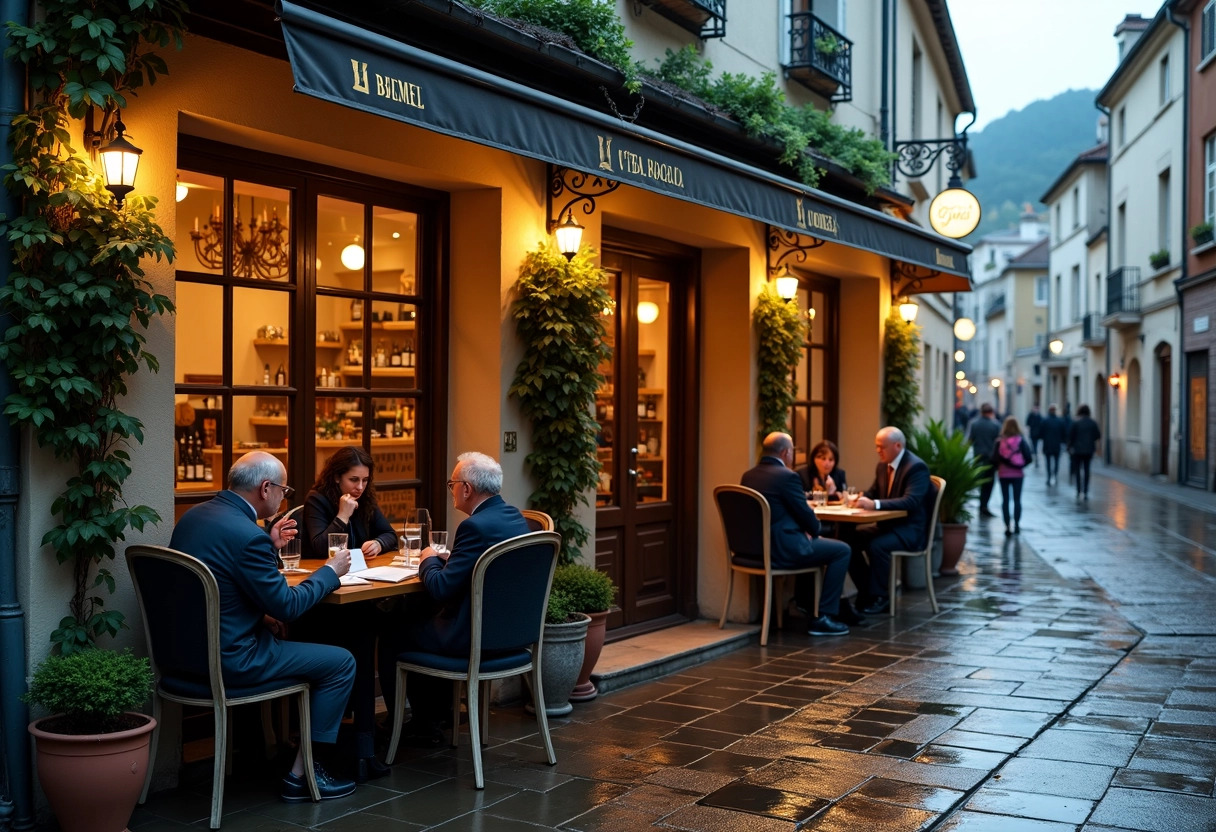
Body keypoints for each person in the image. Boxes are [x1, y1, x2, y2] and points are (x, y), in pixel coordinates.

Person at [168, 451, 358, 803]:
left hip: (180, 658)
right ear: (265, 487)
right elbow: (287, 606)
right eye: (283, 490)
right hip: (234, 661)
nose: (284, 498)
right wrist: (330, 573)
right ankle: (305, 774)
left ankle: (275, 759)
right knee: (342, 662)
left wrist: (269, 548)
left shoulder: (193, 517)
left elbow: (220, 589)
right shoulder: (246, 535)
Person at [383, 451, 531, 747]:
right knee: (419, 616)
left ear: (467, 489)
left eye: (452, 483)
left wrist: (428, 558)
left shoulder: (473, 527)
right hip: (511, 637)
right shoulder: (514, 516)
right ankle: (434, 718)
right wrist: (451, 560)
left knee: (392, 629)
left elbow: (439, 588)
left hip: (473, 640)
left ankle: (410, 725)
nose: (451, 489)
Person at [297, 446, 398, 782]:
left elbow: (390, 533)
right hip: (321, 608)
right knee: (362, 636)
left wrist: (378, 544)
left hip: (355, 598)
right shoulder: (318, 500)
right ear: (336, 476)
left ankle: (364, 748)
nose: (359, 486)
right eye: (353, 479)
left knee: (370, 631)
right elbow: (317, 546)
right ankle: (358, 748)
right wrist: (342, 514)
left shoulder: (366, 500)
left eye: (365, 480)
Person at [741, 433, 855, 635]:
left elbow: (776, 512)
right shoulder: (788, 476)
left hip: (753, 550)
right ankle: (824, 617)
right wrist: (813, 530)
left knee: (822, 545)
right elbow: (807, 517)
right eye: (793, 451)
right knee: (842, 550)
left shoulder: (749, 475)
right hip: (784, 548)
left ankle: (805, 603)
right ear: (786, 452)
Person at [848, 427, 933, 615]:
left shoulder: (916, 467)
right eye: (876, 446)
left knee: (877, 546)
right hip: (889, 526)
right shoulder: (882, 465)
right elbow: (873, 491)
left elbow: (911, 501)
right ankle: (868, 592)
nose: (878, 451)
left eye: (881, 447)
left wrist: (875, 504)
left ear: (898, 445)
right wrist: (858, 498)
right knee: (849, 541)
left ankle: (881, 598)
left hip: (911, 531)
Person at [995, 416, 1033, 536]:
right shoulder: (1020, 440)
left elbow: (994, 458)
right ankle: (1016, 525)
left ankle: (1007, 526)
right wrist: (1020, 465)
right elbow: (1029, 457)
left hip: (1003, 474)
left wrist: (1001, 466)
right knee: (1017, 500)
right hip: (1018, 475)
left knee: (1005, 500)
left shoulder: (999, 441)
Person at [965, 403, 1001, 517]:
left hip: (978, 457)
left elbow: (970, 440)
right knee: (989, 483)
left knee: (979, 482)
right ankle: (984, 505)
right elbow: (999, 442)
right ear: (991, 412)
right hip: (991, 458)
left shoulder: (974, 424)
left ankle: (981, 504)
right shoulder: (996, 425)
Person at [1067, 404, 1102, 499]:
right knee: (1087, 470)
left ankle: (1078, 490)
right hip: (1089, 450)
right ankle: (1085, 490)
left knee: (1078, 470)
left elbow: (1071, 436)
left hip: (1077, 450)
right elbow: (1097, 436)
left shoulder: (1076, 423)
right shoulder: (1092, 423)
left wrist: (1069, 447)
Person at [1040, 404, 1067, 485]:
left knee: (1048, 462)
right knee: (1056, 462)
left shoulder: (1045, 421)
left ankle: (1049, 477)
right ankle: (1055, 475)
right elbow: (1064, 434)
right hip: (1056, 445)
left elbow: (1041, 433)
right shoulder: (1060, 421)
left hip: (1047, 445)